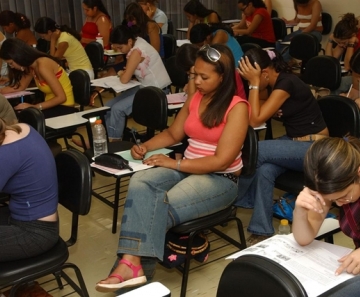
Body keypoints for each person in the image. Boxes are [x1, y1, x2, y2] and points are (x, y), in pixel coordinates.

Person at [95, 43, 249, 292]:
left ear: (223, 78)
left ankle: (128, 270)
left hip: (220, 179)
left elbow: (221, 161)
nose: (196, 81)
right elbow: (173, 133)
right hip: (186, 167)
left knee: (156, 205)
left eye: (203, 77)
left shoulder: (238, 107)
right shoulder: (196, 98)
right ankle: (133, 267)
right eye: (193, 75)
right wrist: (146, 146)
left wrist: (175, 162)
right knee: (140, 183)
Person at [236, 48, 329, 246]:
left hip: (315, 147)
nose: (248, 84)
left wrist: (254, 85)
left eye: (250, 79)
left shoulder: (286, 82)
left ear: (265, 74)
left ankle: (233, 198)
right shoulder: (276, 83)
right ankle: (262, 229)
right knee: (265, 169)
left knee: (256, 150)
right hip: (294, 141)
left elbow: (255, 120)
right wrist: (256, 88)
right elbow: (257, 105)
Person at [292, 137, 360, 280]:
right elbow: (303, 239)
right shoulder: (333, 182)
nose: (340, 204)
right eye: (332, 200)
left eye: (344, 196)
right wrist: (300, 211)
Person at [0, 118, 59, 262]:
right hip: (27, 217)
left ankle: (27, 284)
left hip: (35, 232)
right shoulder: (21, 128)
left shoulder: (5, 152)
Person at [104, 25, 171, 141]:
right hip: (145, 87)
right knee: (108, 106)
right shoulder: (137, 41)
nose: (119, 51)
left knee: (118, 109)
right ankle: (106, 137)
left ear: (129, 41)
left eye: (120, 48)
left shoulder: (137, 51)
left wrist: (122, 74)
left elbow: (124, 79)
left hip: (158, 92)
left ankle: (114, 142)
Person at [0, 38, 75, 119]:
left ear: (19, 56)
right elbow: (20, 87)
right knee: (14, 115)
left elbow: (61, 98)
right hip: (52, 106)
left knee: (24, 118)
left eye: (11, 63)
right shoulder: (31, 66)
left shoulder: (43, 65)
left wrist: (34, 107)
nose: (12, 67)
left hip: (65, 108)